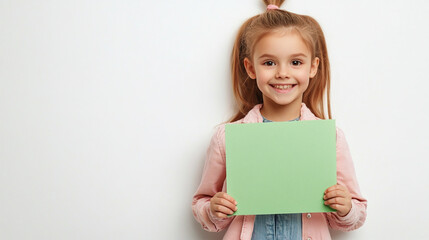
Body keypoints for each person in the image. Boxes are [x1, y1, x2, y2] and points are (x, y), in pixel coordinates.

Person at [192, 0, 367, 239]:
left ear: (313, 67)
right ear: (251, 68)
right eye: (269, 62)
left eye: (296, 62)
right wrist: (214, 210)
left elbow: (356, 212)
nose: (282, 73)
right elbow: (202, 202)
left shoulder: (329, 138)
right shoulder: (227, 138)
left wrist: (345, 208)